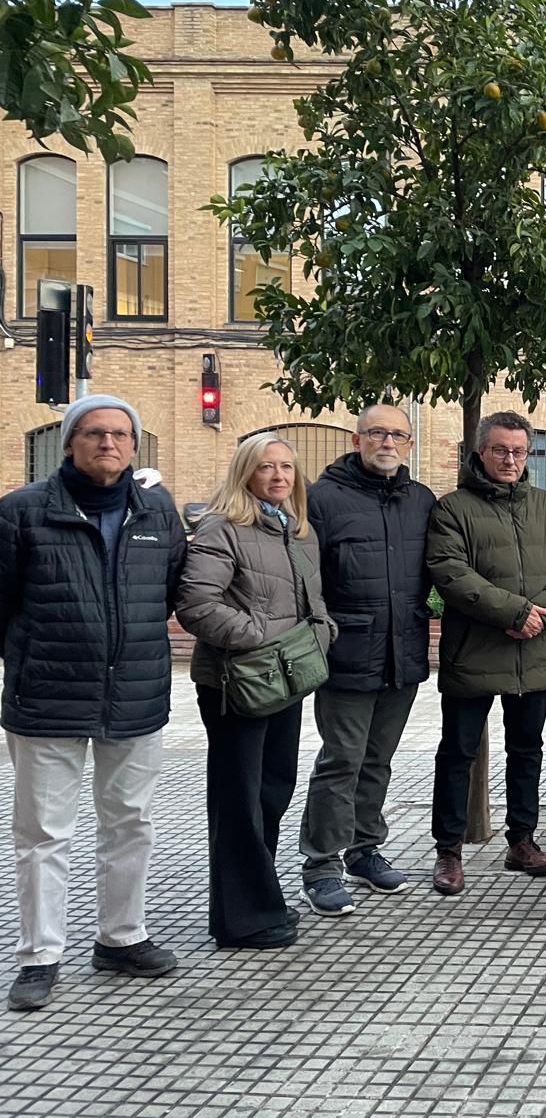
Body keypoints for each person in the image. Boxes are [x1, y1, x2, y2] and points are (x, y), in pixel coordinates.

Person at [0, 395, 186, 1011]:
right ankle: (39, 956)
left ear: (134, 448)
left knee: (131, 824)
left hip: (134, 694)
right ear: (68, 443)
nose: (108, 443)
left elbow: (166, 593)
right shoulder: (22, 512)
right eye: (94, 433)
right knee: (43, 832)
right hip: (47, 697)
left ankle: (121, 938)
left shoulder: (156, 511)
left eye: (120, 435)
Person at [177, 433, 336, 950]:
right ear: (245, 471)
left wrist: (318, 635)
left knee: (273, 791)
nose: (279, 476)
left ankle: (259, 898)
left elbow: (316, 602)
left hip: (285, 680)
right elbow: (197, 604)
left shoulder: (299, 531)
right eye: (266, 467)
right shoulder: (224, 529)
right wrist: (259, 641)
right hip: (237, 684)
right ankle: (241, 919)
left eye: (287, 467)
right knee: (238, 800)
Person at [426, 411, 546, 895]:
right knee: (457, 752)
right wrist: (515, 613)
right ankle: (449, 851)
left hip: (533, 654)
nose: (510, 459)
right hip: (474, 654)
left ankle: (521, 840)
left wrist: (542, 614)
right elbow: (450, 572)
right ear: (481, 452)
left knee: (527, 750)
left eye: (518, 451)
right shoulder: (452, 508)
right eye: (500, 450)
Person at [297, 404, 436, 916]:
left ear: (409, 445)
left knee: (378, 758)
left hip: (403, 652)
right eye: (378, 433)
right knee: (341, 760)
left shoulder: (420, 500)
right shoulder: (323, 500)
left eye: (399, 435)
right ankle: (321, 863)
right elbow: (306, 581)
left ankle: (364, 848)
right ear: (357, 439)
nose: (388, 443)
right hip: (347, 653)